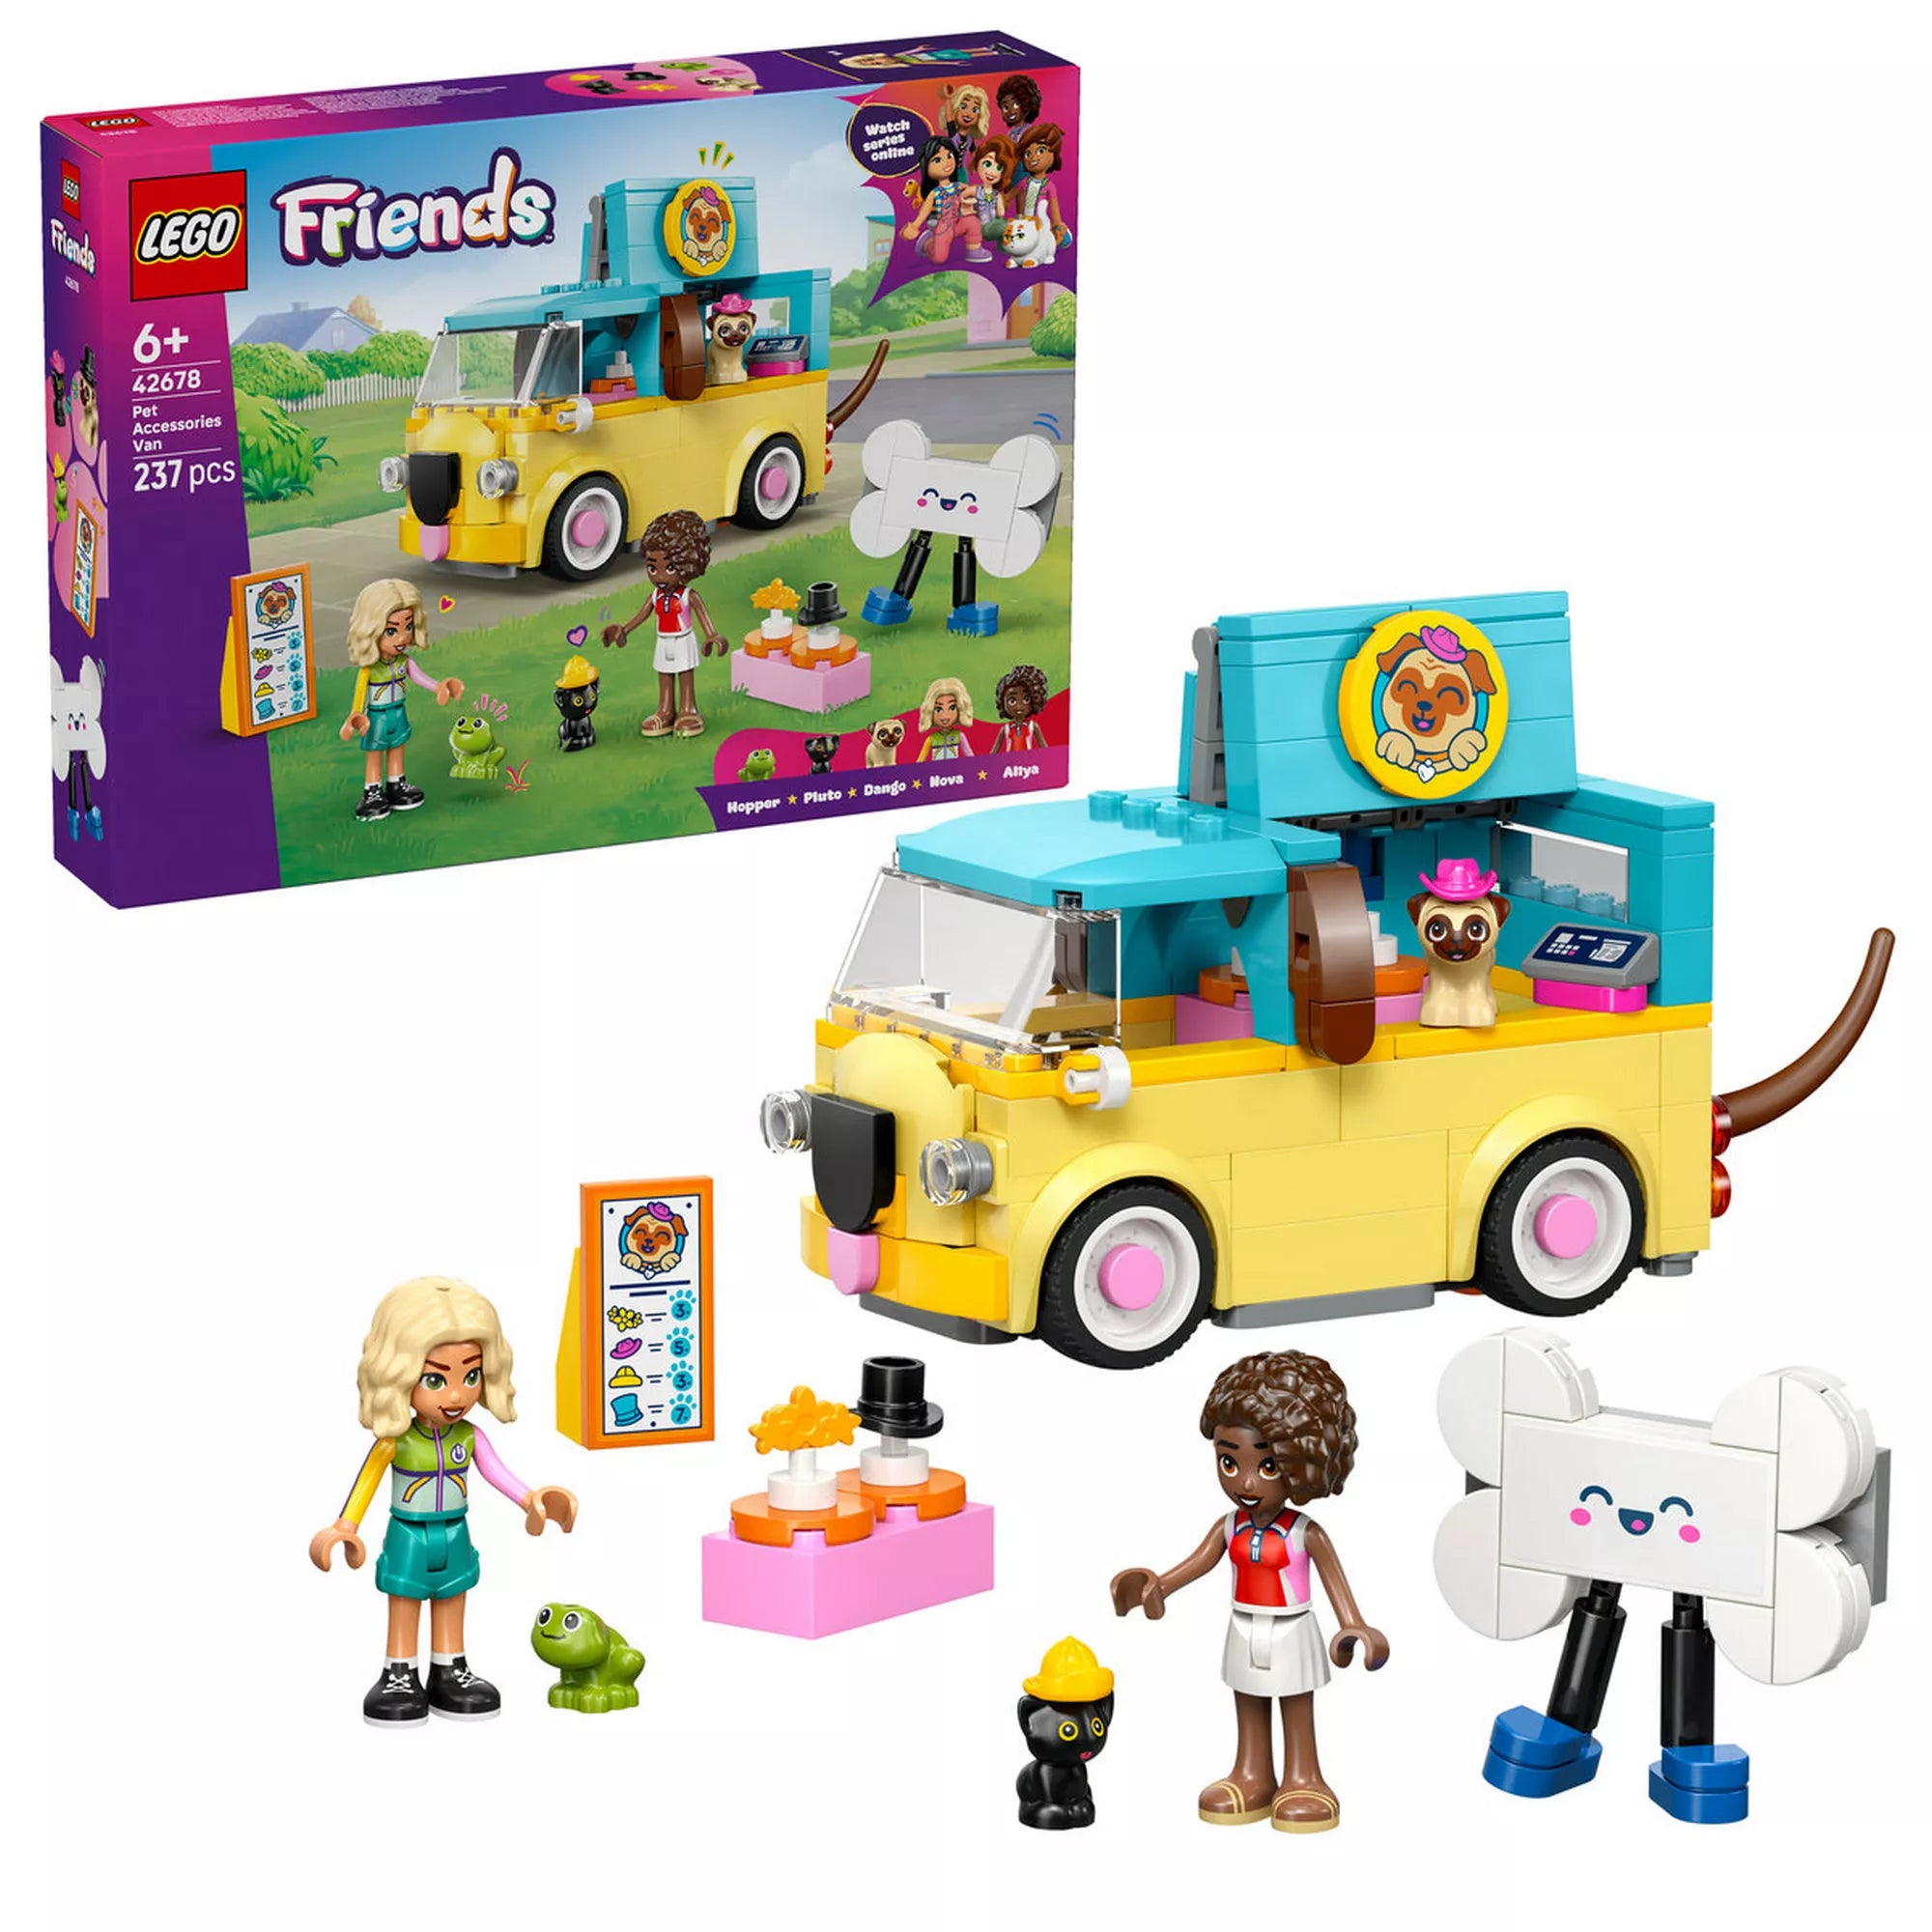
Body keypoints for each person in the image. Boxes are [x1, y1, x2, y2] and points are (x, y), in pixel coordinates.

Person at [1111, 1351, 1389, 1833]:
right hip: (1243, 1624)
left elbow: (1335, 1582)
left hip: (1291, 1626)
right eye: (1228, 1461)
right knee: (1248, 1699)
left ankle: (1304, 1776)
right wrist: (1158, 1586)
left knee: (1296, 1701)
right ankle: (1253, 1774)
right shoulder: (1230, 1526)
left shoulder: (1304, 1532)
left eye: (1267, 1465)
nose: (1245, 1481)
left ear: (1301, 1464)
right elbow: (1198, 1562)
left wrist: (1354, 1626)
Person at [309, 1276, 579, 1726]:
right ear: (397, 1375)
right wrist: (344, 1528)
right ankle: (399, 1672)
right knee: (404, 1597)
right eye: (435, 1378)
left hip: (456, 1531)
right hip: (408, 1534)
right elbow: (365, 1486)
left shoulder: (469, 1436)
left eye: (471, 1376)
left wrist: (532, 1499)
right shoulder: (395, 1441)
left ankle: (449, 1668)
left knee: (454, 1594)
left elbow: (497, 1472)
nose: (456, 1395)